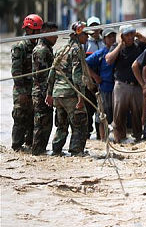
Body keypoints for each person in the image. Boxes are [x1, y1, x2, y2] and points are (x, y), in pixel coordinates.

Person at [46, 21, 89, 156]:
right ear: (78, 34)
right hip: (70, 94)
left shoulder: (60, 49)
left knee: (61, 125)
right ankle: (77, 151)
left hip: (58, 94)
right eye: (86, 35)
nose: (87, 38)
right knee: (80, 123)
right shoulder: (77, 50)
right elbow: (77, 76)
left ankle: (56, 150)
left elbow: (52, 72)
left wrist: (49, 93)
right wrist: (80, 98)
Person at [105, 24, 146, 142]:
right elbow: (108, 59)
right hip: (121, 85)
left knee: (137, 113)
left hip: (136, 85)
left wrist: (144, 39)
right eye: (127, 35)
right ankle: (119, 137)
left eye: (132, 34)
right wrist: (120, 45)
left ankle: (137, 137)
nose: (130, 37)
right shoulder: (116, 47)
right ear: (122, 36)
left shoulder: (139, 45)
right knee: (119, 113)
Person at [11, 14, 43, 151]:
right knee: (20, 117)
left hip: (34, 89)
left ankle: (30, 145)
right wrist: (22, 92)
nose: (39, 33)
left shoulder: (39, 46)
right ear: (29, 30)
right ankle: (16, 146)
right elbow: (16, 72)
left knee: (33, 118)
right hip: (22, 90)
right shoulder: (20, 47)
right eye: (37, 31)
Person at [31, 22, 58, 155]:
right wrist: (48, 94)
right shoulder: (42, 50)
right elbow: (42, 77)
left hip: (45, 92)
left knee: (46, 124)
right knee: (41, 124)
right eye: (53, 34)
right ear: (46, 33)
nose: (56, 37)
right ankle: (37, 153)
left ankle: (40, 152)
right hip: (41, 93)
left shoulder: (47, 48)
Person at [86, 28, 117, 141]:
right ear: (104, 40)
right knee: (102, 114)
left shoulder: (119, 50)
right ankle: (103, 139)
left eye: (114, 36)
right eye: (109, 37)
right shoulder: (101, 53)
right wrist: (94, 76)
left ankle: (117, 138)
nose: (112, 39)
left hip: (117, 87)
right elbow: (86, 63)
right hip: (104, 86)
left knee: (117, 114)